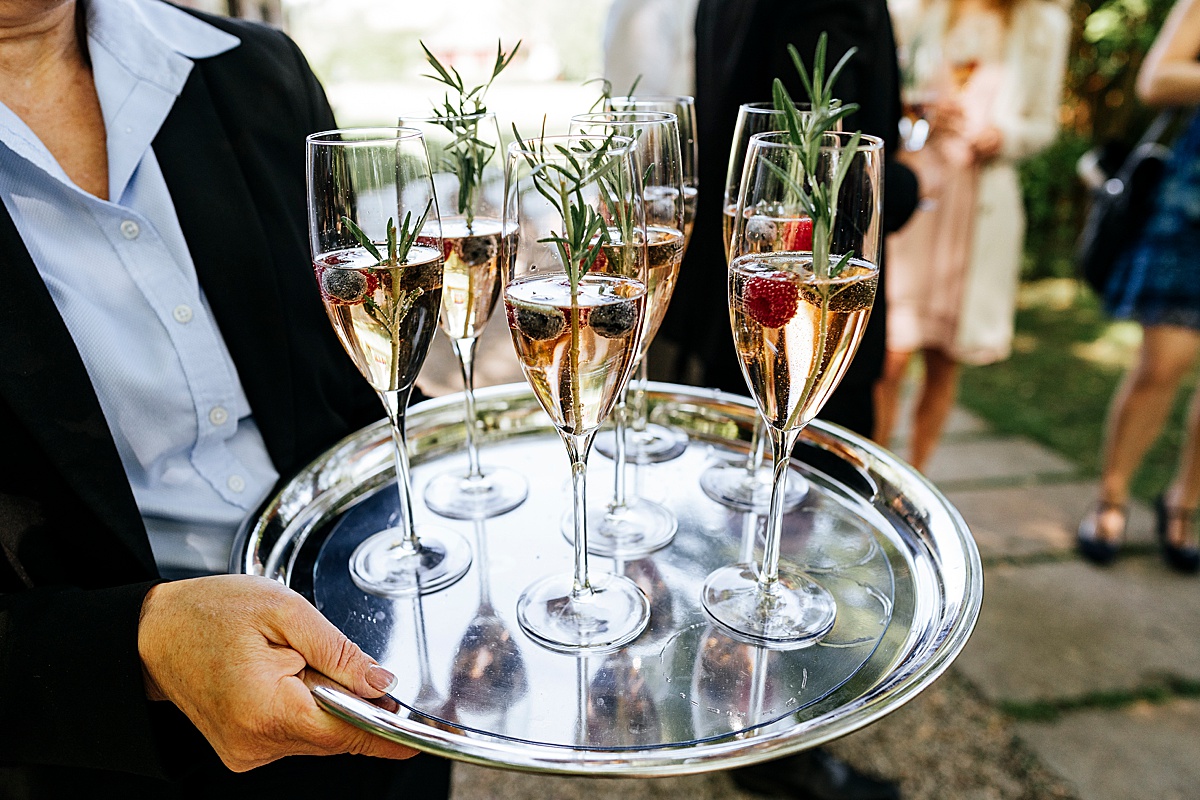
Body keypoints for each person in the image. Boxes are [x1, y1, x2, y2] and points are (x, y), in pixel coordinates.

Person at [0, 0, 450, 795]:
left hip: (372, 673)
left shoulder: (258, 71)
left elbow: (358, 382)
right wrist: (137, 645)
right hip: (103, 755)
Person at [670, 4, 918, 798]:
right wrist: (906, 181)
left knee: (763, 502)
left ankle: (736, 704)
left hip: (748, 295)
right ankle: (779, 748)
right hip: (794, 296)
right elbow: (822, 167)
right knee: (806, 510)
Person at [661, 0, 919, 442]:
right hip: (810, 316)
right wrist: (912, 180)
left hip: (731, 315)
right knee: (815, 484)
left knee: (745, 460)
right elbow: (832, 172)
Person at [872, 0, 1070, 472]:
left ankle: (919, 476)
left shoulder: (1044, 26)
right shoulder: (919, 11)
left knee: (944, 358)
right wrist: (916, 110)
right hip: (918, 198)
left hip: (979, 207)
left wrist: (1005, 135)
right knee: (890, 356)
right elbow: (888, 91)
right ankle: (874, 473)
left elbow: (1044, 123)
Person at [1077, 0, 1200, 574]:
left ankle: (1183, 504)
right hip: (1192, 208)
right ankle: (1112, 496)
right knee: (1161, 366)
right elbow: (1158, 78)